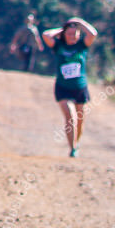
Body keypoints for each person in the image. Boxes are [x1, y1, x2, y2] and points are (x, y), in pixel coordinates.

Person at [42, 17, 97, 157]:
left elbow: (93, 34)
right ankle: (72, 148)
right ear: (64, 34)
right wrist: (64, 28)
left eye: (75, 34)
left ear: (79, 35)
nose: (72, 37)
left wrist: (80, 23)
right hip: (63, 87)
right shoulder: (59, 46)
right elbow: (46, 35)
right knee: (70, 117)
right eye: (69, 34)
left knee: (80, 119)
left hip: (80, 87)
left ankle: (76, 144)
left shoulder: (82, 46)